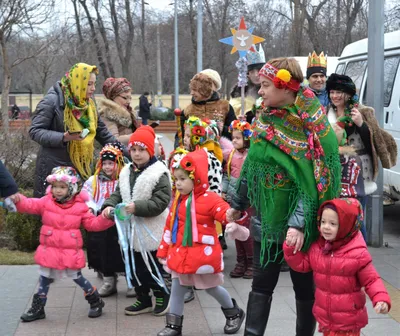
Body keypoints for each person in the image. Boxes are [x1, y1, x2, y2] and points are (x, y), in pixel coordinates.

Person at [230, 58, 341, 335]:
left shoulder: (314, 126)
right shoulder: (264, 117)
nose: (261, 92)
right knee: (260, 286)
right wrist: (236, 203)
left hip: (300, 228)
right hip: (265, 221)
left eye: (266, 85)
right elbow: (251, 167)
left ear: (286, 87)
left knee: (304, 289)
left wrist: (299, 223)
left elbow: (316, 181)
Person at [156, 149, 246, 336]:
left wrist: (233, 216)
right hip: (181, 255)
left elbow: (225, 213)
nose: (178, 183)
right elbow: (169, 226)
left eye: (182, 179)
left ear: (196, 177)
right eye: (176, 179)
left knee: (212, 288)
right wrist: (163, 251)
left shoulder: (210, 199)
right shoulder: (178, 201)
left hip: (202, 257)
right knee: (177, 289)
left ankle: (233, 312)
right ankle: (173, 326)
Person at [8, 166, 114, 322]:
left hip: (69, 250)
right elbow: (30, 204)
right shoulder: (46, 202)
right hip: (49, 249)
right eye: (55, 186)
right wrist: (19, 201)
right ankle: (38, 308)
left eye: (62, 187)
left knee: (76, 277)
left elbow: (92, 224)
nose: (58, 190)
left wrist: (107, 218)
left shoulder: (80, 207)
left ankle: (95, 300)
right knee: (44, 277)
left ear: (72, 188)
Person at [283, 198, 391, 336]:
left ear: (346, 225)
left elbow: (371, 280)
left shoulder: (357, 253)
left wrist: (381, 299)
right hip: (326, 319)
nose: (326, 227)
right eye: (323, 222)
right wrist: (290, 247)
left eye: (333, 223)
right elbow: (302, 265)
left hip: (348, 322)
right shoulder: (318, 248)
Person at [101, 126, 171, 317]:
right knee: (134, 267)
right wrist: (109, 205)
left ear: (150, 150)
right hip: (131, 230)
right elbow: (118, 193)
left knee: (151, 267)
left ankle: (162, 295)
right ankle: (143, 298)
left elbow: (161, 202)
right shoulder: (126, 171)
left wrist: (137, 207)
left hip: (151, 230)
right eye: (133, 150)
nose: (137, 154)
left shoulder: (159, 173)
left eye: (142, 150)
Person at [325, 73, 397, 240]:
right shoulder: (327, 112)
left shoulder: (362, 111)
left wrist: (361, 124)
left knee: (356, 218)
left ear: (348, 94)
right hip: (334, 171)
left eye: (339, 92)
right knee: (337, 216)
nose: (335, 96)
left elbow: (375, 141)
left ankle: (360, 254)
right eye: (332, 92)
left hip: (359, 173)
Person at [29, 63, 117, 198]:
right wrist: (63, 137)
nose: (93, 88)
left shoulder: (88, 104)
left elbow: (103, 134)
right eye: (89, 84)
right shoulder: (52, 101)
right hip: (55, 171)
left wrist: (127, 151)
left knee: (77, 213)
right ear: (77, 82)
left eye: (94, 84)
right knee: (53, 215)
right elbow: (35, 131)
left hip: (80, 168)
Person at [83, 142, 135, 297]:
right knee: (102, 250)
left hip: (120, 222)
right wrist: (91, 207)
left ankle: (131, 282)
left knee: (123, 250)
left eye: (110, 163)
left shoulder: (123, 180)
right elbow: (86, 196)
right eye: (104, 163)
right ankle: (108, 281)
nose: (107, 167)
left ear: (117, 163)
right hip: (100, 221)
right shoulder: (93, 181)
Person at [220, 120, 254, 279]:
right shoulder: (231, 155)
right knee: (235, 231)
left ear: (247, 139)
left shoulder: (252, 156)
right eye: (233, 138)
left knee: (247, 232)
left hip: (248, 201)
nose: (234, 141)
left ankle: (251, 262)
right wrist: (224, 191)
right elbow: (227, 176)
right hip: (234, 200)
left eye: (238, 138)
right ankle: (241, 261)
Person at [175, 73, 237, 148]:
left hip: (221, 154)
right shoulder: (188, 110)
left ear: (204, 90)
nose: (191, 93)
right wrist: (178, 152)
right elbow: (179, 135)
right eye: (191, 90)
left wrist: (220, 128)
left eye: (195, 90)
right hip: (194, 154)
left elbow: (234, 132)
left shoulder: (225, 106)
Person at [98, 77, 139, 146]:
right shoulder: (107, 115)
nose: (128, 102)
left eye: (130, 98)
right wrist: (139, 135)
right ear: (113, 96)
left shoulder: (129, 113)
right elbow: (113, 140)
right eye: (125, 98)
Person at [230, 45, 266, 123]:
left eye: (259, 70)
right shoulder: (239, 92)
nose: (256, 75)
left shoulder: (271, 90)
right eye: (252, 72)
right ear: (247, 74)